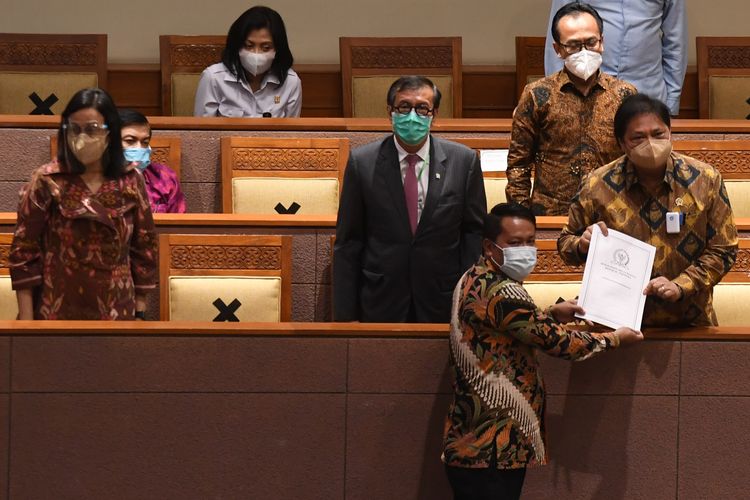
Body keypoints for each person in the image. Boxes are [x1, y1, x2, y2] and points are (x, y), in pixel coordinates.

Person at [443, 202, 642, 500]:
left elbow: (509, 326)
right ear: (489, 246)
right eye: (514, 243)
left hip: (471, 443)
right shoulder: (504, 291)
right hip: (492, 446)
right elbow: (561, 344)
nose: (525, 249)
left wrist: (550, 312)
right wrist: (614, 338)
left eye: (530, 241)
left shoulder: (474, 277)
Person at [558, 94, 738, 326]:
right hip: (616, 325)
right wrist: (581, 245)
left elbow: (724, 250)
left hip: (689, 321)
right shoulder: (597, 184)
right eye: (638, 137)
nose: (650, 143)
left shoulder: (705, 180)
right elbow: (565, 243)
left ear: (670, 133)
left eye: (658, 134)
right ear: (621, 143)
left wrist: (681, 285)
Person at [334, 76, 487, 323]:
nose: (412, 116)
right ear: (390, 112)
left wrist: (469, 304)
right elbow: (349, 243)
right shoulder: (362, 163)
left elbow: (473, 237)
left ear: (434, 114)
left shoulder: (464, 162)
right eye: (404, 107)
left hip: (442, 300)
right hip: (380, 299)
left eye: (422, 108)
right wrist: (344, 316)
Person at [9, 88, 158, 320]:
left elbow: (144, 247)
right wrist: (27, 327)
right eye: (74, 129)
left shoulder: (129, 180)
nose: (81, 138)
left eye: (92, 129)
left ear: (110, 133)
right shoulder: (47, 180)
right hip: (57, 307)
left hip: (116, 307)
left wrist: (139, 311)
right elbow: (23, 253)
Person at [506, 1, 636, 216]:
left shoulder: (624, 95)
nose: (584, 51)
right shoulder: (537, 95)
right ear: (558, 49)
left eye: (591, 42)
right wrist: (522, 218)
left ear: (602, 42)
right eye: (573, 45)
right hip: (551, 215)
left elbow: (635, 158)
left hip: (612, 214)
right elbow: (519, 165)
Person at [544, 0, 687, 116]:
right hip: (587, 91)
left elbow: (675, 41)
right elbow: (558, 36)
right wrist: (559, 96)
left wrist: (671, 102)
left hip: (648, 93)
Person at [194, 5, 301, 117]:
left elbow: (292, 132)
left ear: (278, 49)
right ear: (237, 45)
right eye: (249, 46)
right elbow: (202, 131)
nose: (256, 54)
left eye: (266, 47)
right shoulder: (213, 78)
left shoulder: (290, 82)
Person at [119, 109, 186, 213]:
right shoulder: (97, 179)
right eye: (130, 141)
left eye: (145, 142)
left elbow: (178, 223)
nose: (139, 148)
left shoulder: (165, 178)